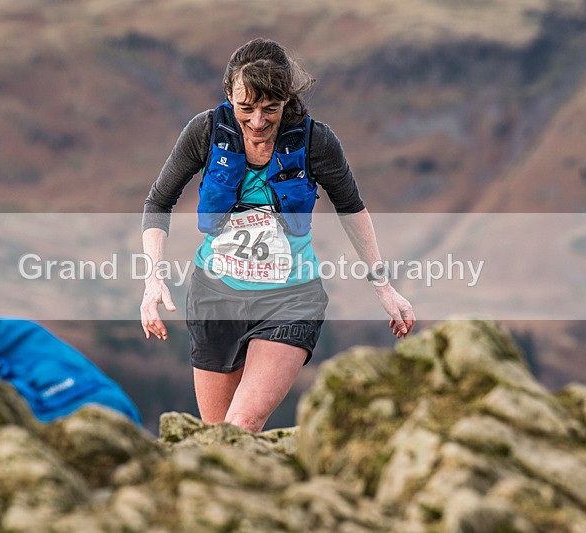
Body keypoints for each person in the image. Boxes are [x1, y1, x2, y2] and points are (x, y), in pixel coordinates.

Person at [141, 38, 415, 432]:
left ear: (287, 100)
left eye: (270, 109)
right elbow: (158, 203)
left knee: (243, 423)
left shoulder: (315, 141)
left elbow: (351, 208)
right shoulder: (204, 132)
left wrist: (383, 286)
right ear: (228, 97)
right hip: (214, 298)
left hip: (291, 298)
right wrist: (153, 281)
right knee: (215, 439)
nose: (257, 122)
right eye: (245, 109)